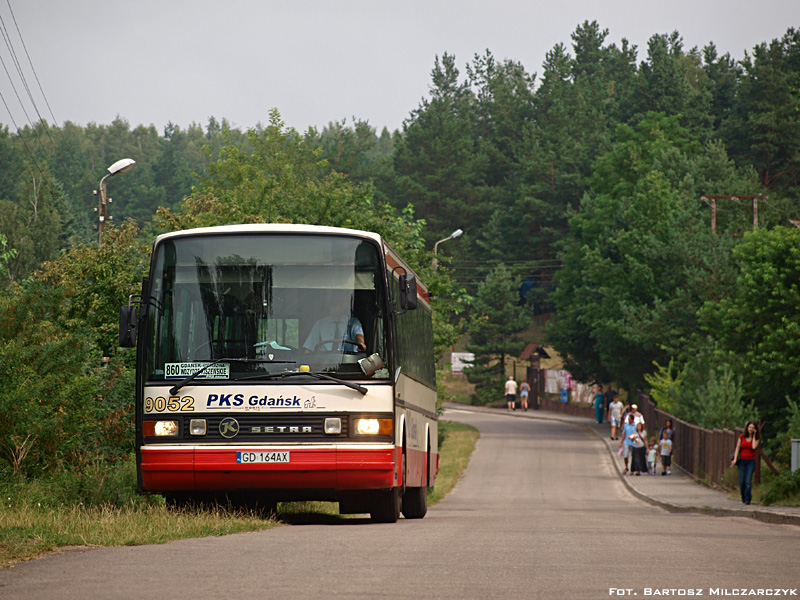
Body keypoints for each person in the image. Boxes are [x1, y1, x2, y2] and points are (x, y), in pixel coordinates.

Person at [731, 421, 760, 505]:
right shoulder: (742, 437)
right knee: (741, 481)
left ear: (755, 429)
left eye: (753, 428)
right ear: (747, 428)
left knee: (748, 481)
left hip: (751, 461)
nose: (751, 429)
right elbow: (737, 448)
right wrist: (735, 459)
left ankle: (748, 499)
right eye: (750, 427)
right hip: (742, 461)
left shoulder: (756, 438)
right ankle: (743, 496)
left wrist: (754, 435)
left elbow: (754, 446)